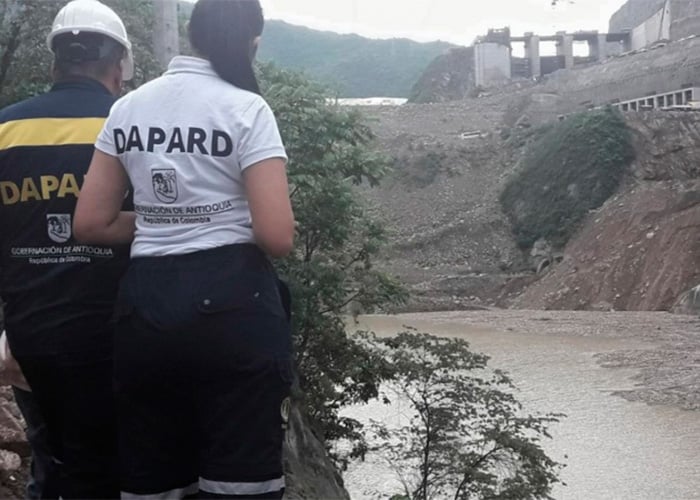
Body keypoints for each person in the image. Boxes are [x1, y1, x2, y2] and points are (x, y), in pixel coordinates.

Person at [73, 0, 295, 498]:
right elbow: (277, 236)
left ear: (193, 35)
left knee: (155, 483)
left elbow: (90, 222)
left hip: (145, 310)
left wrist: (161, 219)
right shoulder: (246, 108)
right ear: (251, 43)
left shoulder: (127, 108)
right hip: (233, 307)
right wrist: (218, 216)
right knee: (240, 486)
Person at [0, 0, 135, 497]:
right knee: (118, 471)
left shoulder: (5, 131)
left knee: (52, 466)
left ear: (55, 62)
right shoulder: (133, 128)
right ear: (119, 65)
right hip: (118, 340)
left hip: (32, 341)